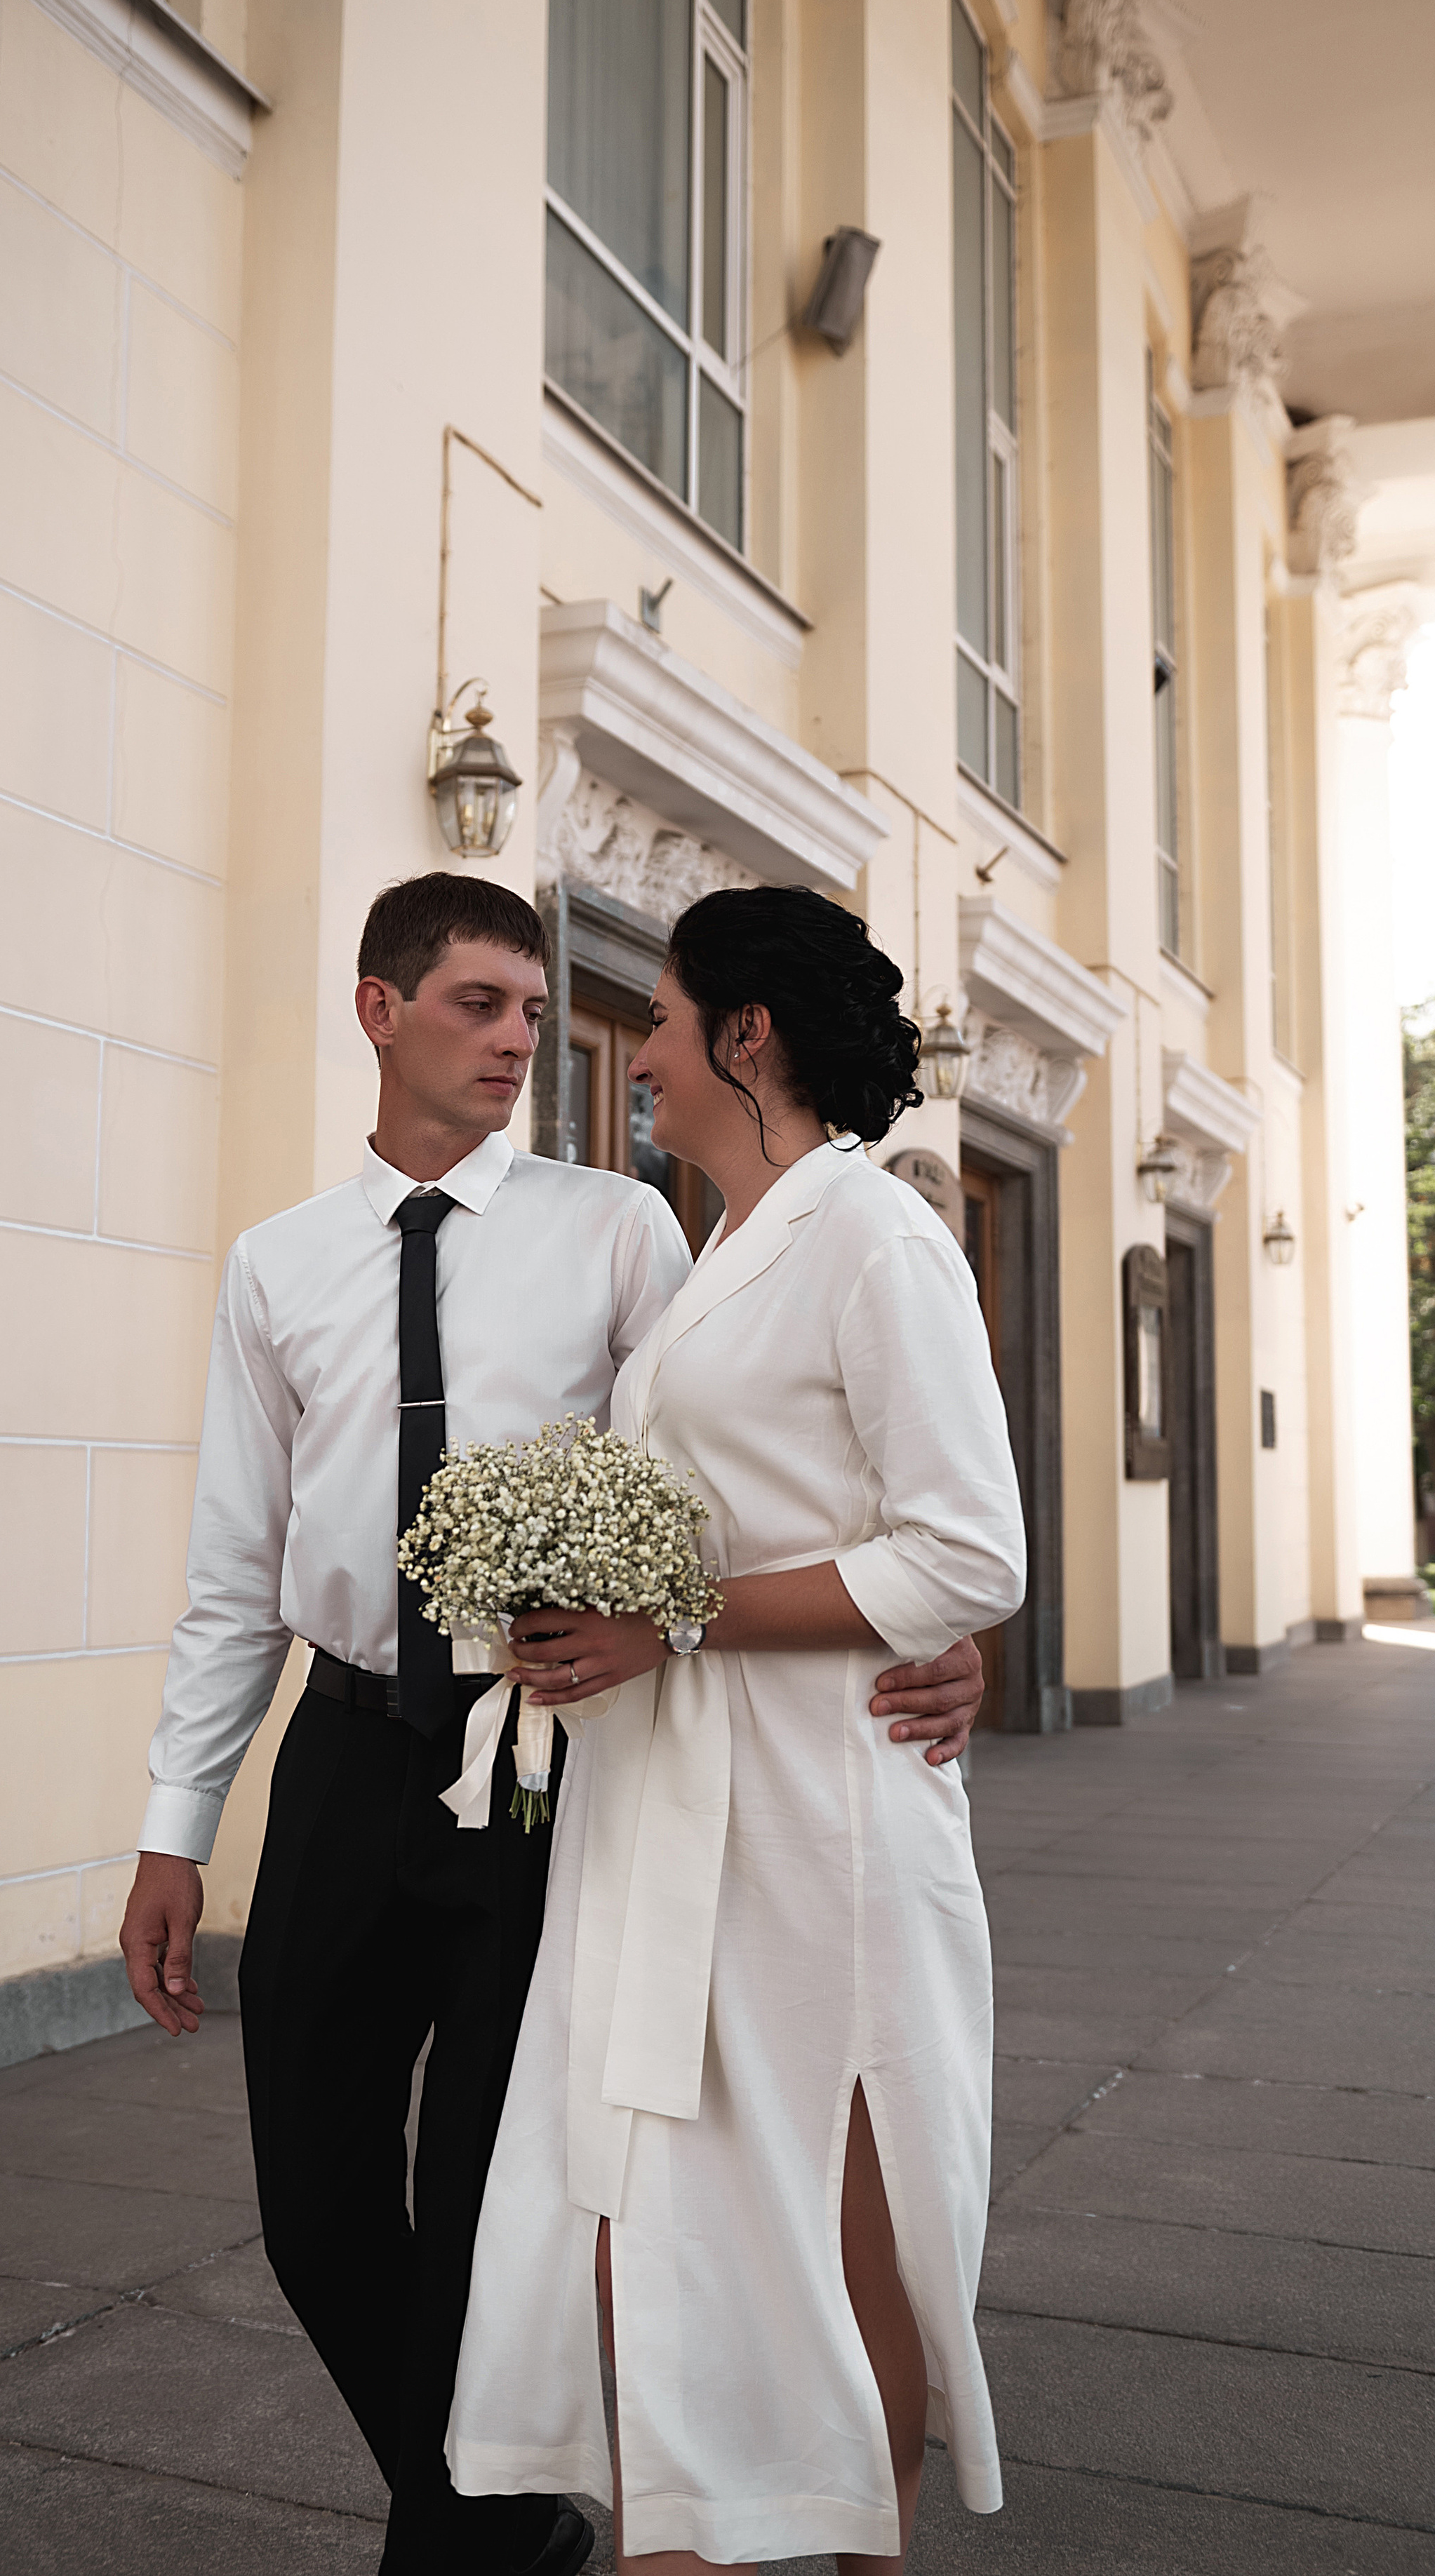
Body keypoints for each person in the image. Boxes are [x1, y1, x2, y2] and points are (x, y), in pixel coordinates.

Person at [117, 873, 992, 2576]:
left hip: (548, 1761)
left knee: (500, 2199)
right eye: (482, 1005)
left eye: (544, 1008)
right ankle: (491, 2500)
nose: (530, 1038)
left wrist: (929, 1620)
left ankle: (467, 2533)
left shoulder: (632, 1229)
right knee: (309, 2204)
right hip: (349, 1745)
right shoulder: (274, 1266)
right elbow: (234, 1565)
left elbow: (729, 1488)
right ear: (380, 1012)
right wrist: (174, 1819)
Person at [448, 885, 1027, 2574]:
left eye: (667, 1019)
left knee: (851, 2232)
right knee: (654, 2212)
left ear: (745, 1037)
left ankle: (861, 2547)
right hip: (671, 1798)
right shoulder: (718, 1242)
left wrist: (672, 1620)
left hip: (815, 1815)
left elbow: (963, 1546)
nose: (636, 1062)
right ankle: (679, 2527)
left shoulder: (873, 1231)